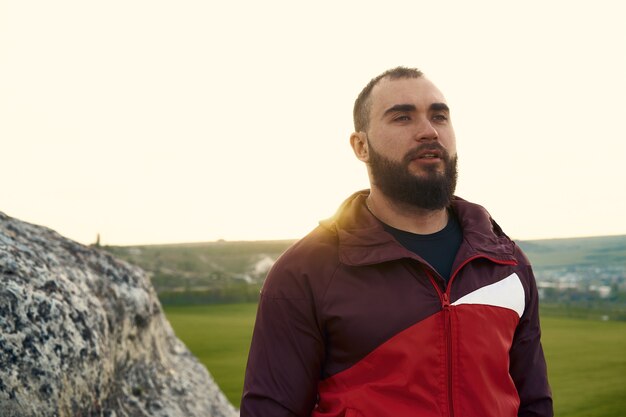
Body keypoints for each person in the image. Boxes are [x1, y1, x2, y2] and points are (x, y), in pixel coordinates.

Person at [241, 67, 553, 417]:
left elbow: (534, 402)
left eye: (439, 116)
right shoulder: (306, 271)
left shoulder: (506, 262)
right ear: (361, 146)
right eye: (403, 117)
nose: (429, 131)